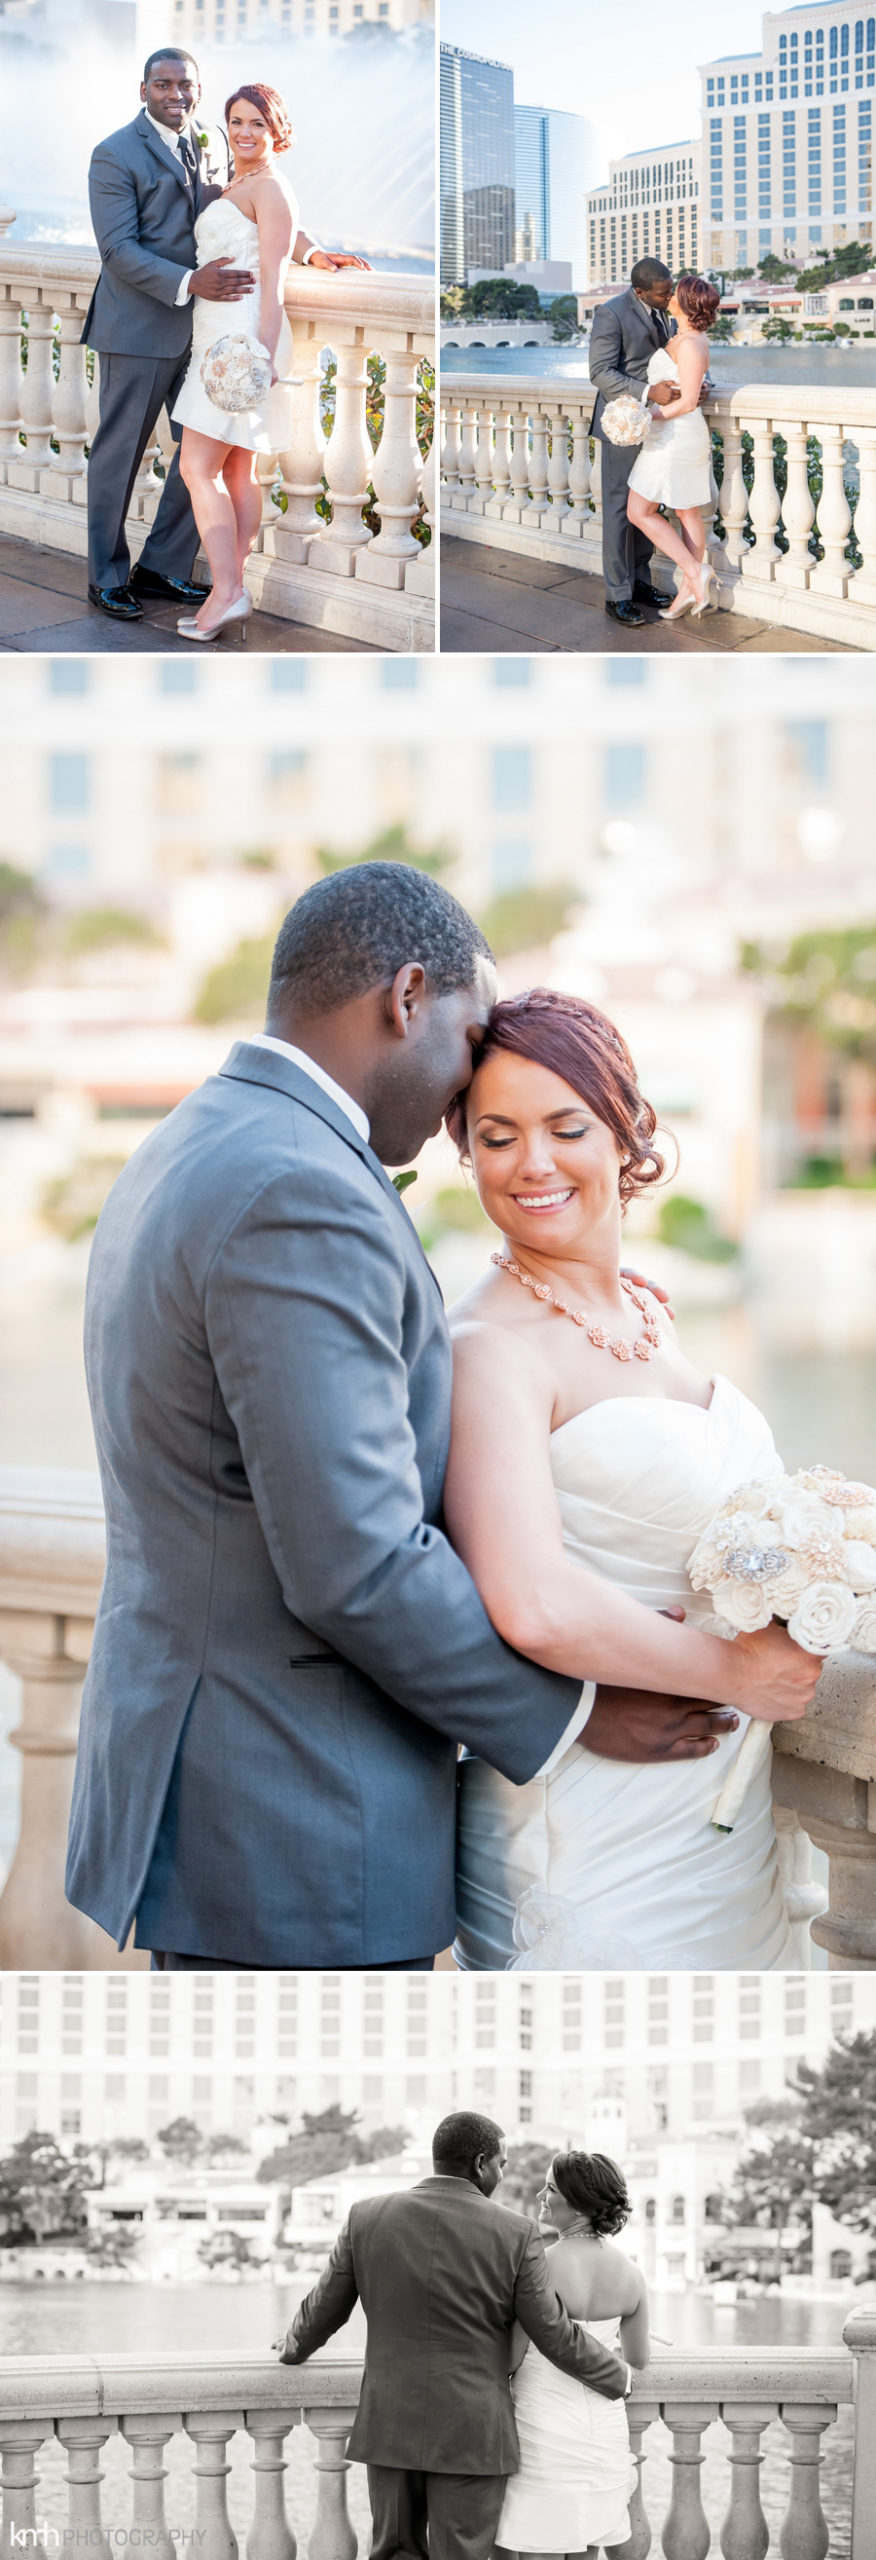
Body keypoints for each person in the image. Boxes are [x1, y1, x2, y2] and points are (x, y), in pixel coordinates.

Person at [64, 867, 818, 1971]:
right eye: (471, 1042)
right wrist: (568, 1714)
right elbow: (355, 1559)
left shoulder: (198, 1140)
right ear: (408, 997)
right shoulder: (298, 1185)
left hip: (232, 1778)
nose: (468, 1083)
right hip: (296, 1806)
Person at [445, 986, 820, 1971]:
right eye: (495, 1135)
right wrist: (737, 1674)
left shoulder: (651, 1313)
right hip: (591, 1825)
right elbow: (528, 1600)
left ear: (627, 1131)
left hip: (721, 1826)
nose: (531, 1162)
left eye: (566, 1126)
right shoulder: (487, 1348)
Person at [83, 47, 364, 623]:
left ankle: (161, 565)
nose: (175, 95)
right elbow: (117, 250)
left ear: (198, 89)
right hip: (137, 327)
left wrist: (310, 250)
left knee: (200, 455)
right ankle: (106, 577)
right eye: (163, 85)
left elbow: (256, 201)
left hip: (209, 334)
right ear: (144, 91)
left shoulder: (214, 141)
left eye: (185, 84)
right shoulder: (113, 153)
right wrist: (191, 280)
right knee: (120, 456)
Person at [277, 2110, 631, 2560]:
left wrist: (291, 2346)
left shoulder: (366, 2217)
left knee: (392, 2552)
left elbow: (325, 2308)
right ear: (481, 2162)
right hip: (473, 2431)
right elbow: (553, 2332)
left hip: (392, 2424)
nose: (502, 2174)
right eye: (501, 2164)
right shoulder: (517, 2233)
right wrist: (618, 2377)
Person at [172, 82, 360, 641]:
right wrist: (313, 250)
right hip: (218, 329)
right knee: (234, 469)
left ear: (277, 130)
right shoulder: (245, 179)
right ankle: (227, 591)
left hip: (242, 338)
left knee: (195, 467)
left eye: (257, 123)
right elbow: (279, 236)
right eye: (237, 121)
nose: (245, 132)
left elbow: (273, 280)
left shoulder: (271, 185)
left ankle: (229, 591)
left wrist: (260, 351)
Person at [496, 2149, 648, 2559]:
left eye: (551, 2187)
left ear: (578, 2202)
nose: (542, 2194)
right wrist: (604, 2338)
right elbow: (637, 2359)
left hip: (543, 2425)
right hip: (603, 2427)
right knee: (589, 2539)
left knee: (541, 2540)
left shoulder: (539, 2269)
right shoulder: (631, 2273)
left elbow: (509, 2360)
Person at [587, 256, 680, 629]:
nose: (669, 296)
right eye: (662, 293)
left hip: (657, 425)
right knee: (618, 509)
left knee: (647, 505)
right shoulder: (611, 313)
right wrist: (647, 392)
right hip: (623, 425)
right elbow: (599, 372)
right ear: (639, 291)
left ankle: (640, 583)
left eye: (670, 289)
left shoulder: (664, 310)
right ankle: (617, 596)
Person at [627, 273, 721, 622]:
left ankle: (694, 574)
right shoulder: (680, 337)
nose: (669, 295)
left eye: (675, 292)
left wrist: (644, 414)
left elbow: (687, 402)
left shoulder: (692, 343)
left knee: (642, 510)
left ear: (685, 301)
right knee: (683, 512)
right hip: (665, 436)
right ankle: (689, 584)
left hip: (678, 436)